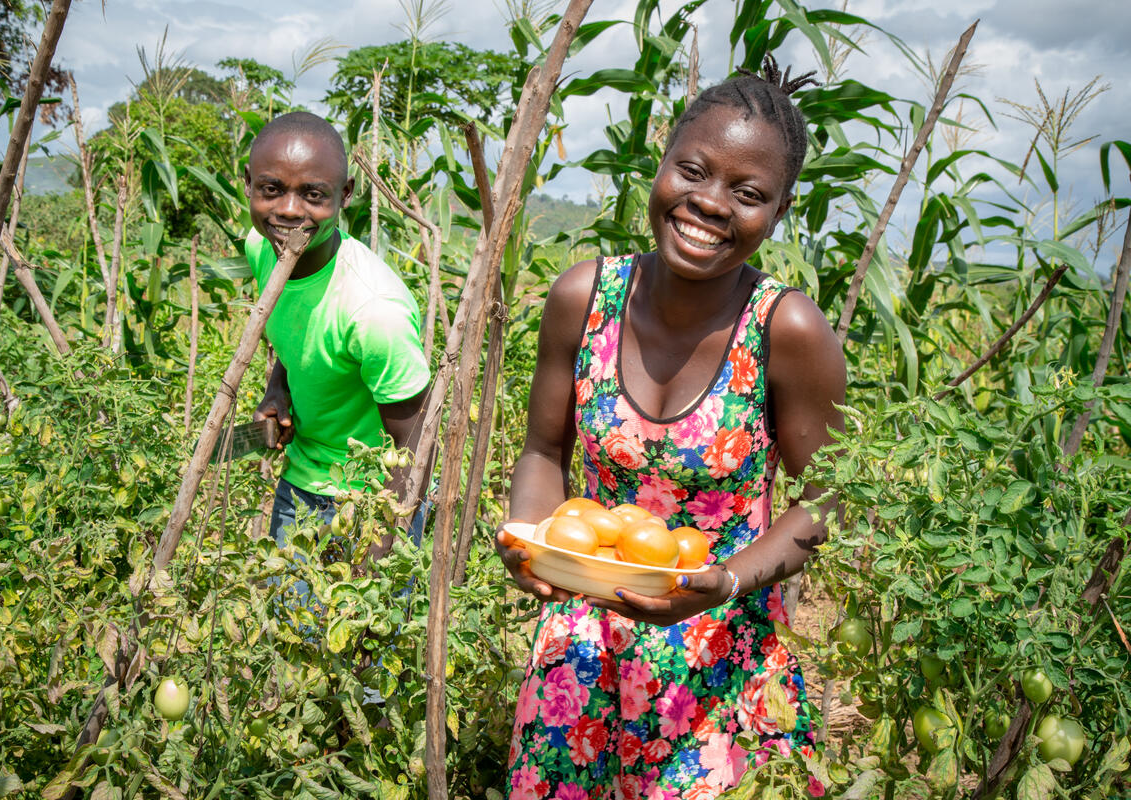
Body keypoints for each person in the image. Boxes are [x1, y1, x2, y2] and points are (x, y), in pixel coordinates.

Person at [496, 60, 845, 798]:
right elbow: (540, 450)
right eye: (693, 170)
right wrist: (531, 543)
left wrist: (723, 583)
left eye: (748, 194)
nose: (710, 203)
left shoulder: (788, 329)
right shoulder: (583, 297)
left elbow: (827, 499)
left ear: (779, 212)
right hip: (582, 655)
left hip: (724, 658)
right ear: (660, 163)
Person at [244, 112, 431, 550]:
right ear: (248, 183)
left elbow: (415, 450)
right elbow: (296, 331)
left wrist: (377, 565)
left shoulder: (374, 311)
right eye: (271, 189)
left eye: (313, 194)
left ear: (345, 194)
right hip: (299, 483)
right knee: (285, 619)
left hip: (370, 504)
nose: (289, 210)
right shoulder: (262, 248)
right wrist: (278, 388)